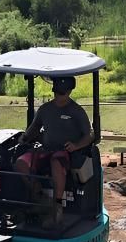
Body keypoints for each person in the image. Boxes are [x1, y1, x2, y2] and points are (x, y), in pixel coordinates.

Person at [14, 76, 93, 225]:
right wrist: (24, 138)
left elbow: (89, 135)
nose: (58, 96)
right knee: (21, 162)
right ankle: (40, 198)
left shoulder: (77, 111)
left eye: (62, 93)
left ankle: (57, 207)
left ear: (69, 91)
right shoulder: (45, 109)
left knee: (57, 161)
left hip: (65, 152)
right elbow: (34, 128)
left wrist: (76, 146)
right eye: (56, 92)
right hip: (45, 149)